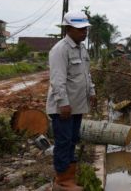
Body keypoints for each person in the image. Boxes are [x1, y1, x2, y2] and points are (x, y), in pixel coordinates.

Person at [46, 12, 96, 191]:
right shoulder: (60, 50)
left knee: (73, 139)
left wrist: (91, 91)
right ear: (68, 29)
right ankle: (62, 180)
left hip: (76, 105)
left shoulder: (82, 49)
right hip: (63, 107)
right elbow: (57, 79)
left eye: (86, 29)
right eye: (80, 29)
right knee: (63, 141)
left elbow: (86, 74)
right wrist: (63, 104)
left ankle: (69, 176)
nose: (84, 32)